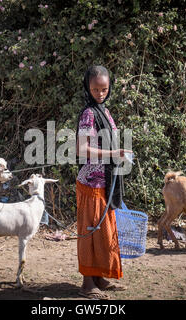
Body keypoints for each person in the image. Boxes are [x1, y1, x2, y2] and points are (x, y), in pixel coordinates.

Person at [75, 65, 132, 299]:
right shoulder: (89, 113)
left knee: (102, 233)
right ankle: (87, 284)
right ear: (87, 87)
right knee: (90, 231)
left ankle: (99, 277)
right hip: (91, 182)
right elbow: (82, 149)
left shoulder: (104, 111)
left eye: (104, 89)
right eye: (95, 89)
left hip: (104, 182)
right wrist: (112, 154)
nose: (100, 93)